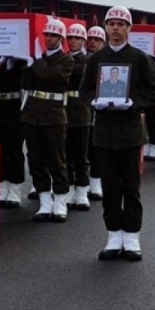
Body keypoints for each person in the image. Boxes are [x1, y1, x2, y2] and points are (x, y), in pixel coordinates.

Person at [80, 5, 155, 261]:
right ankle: (113, 234)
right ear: (106, 27)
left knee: (131, 185)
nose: (115, 28)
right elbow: (84, 91)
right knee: (110, 185)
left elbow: (154, 91)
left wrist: (132, 102)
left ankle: (132, 236)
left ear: (128, 29)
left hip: (129, 130)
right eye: (111, 23)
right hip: (104, 131)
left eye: (120, 24)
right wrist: (94, 101)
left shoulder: (139, 58)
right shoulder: (95, 59)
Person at [21, 18, 75, 223]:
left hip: (54, 114)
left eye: (54, 35)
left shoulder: (66, 60)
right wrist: (25, 64)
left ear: (61, 38)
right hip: (32, 113)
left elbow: (49, 76)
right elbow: (26, 83)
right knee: (35, 158)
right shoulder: (37, 58)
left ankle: (60, 199)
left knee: (56, 158)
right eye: (47, 35)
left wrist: (35, 60)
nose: (50, 39)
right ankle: (44, 199)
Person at [0, 53, 27, 209]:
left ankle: (15, 188)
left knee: (15, 149)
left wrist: (14, 61)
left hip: (15, 107)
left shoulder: (22, 61)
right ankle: (2, 186)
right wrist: (1, 61)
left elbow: (26, 81)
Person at [63, 23, 93, 211]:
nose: (73, 41)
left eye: (77, 38)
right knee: (65, 155)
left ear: (83, 41)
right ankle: (69, 188)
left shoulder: (88, 60)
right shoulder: (63, 59)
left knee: (81, 154)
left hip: (81, 110)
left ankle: (82, 190)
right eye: (70, 38)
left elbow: (79, 72)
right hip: (64, 109)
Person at [85, 26, 107, 201]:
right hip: (83, 107)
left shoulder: (106, 59)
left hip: (101, 108)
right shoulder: (84, 60)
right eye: (90, 39)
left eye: (97, 40)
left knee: (96, 148)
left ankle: (96, 181)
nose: (92, 42)